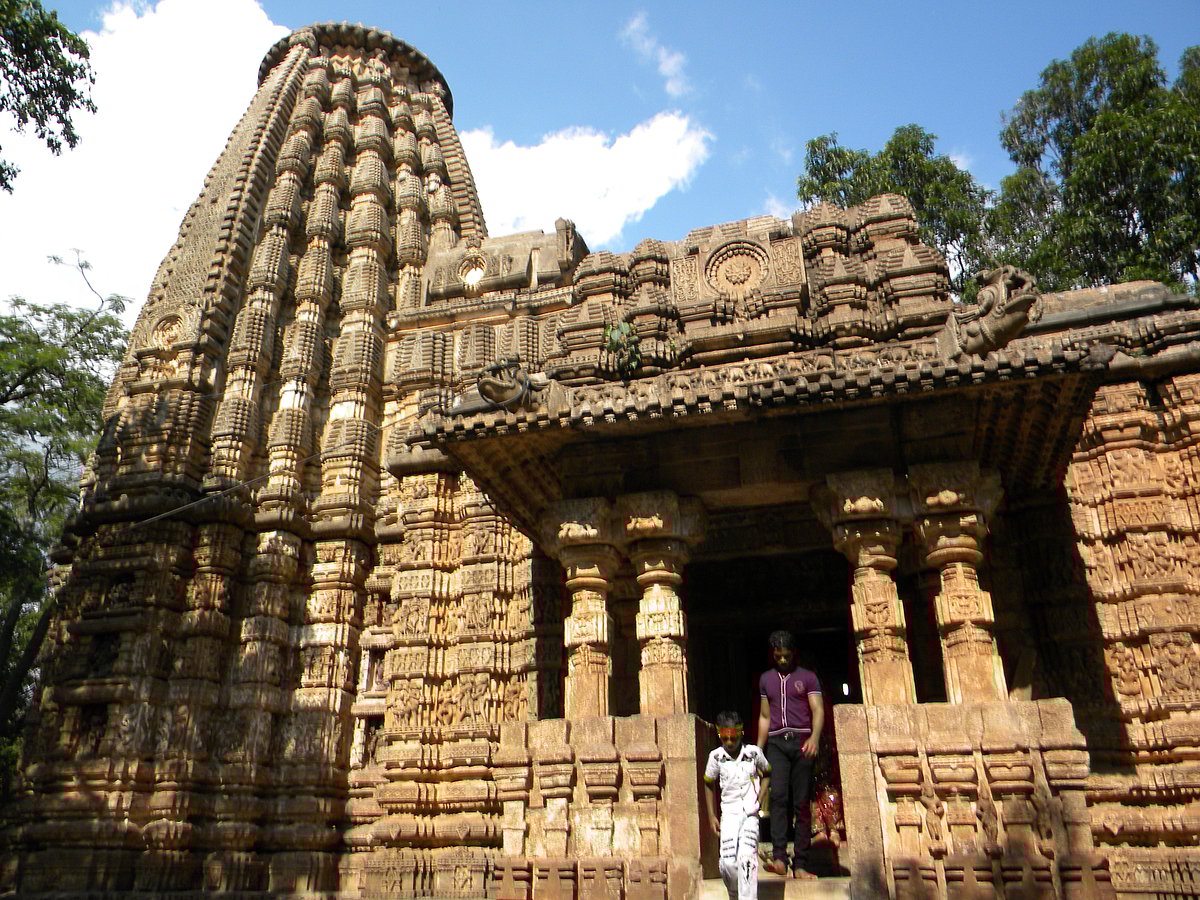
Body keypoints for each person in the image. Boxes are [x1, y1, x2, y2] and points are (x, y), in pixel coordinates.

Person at [757, 629, 823, 879]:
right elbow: (765, 716)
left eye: (786, 656)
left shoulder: (807, 677)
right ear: (773, 654)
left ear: (793, 653)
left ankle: (802, 863)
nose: (782, 660)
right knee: (778, 798)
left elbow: (817, 709)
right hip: (776, 743)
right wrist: (759, 750)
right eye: (778, 656)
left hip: (803, 741)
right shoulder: (766, 679)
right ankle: (779, 858)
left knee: (802, 803)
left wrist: (814, 737)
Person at [704, 710, 770, 900]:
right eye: (725, 738)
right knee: (727, 863)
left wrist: (762, 793)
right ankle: (734, 893)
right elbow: (708, 783)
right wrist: (711, 815)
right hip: (729, 815)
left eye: (733, 737)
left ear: (740, 733)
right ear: (720, 735)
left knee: (747, 860)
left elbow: (767, 771)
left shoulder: (753, 753)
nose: (730, 743)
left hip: (750, 814)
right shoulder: (716, 757)